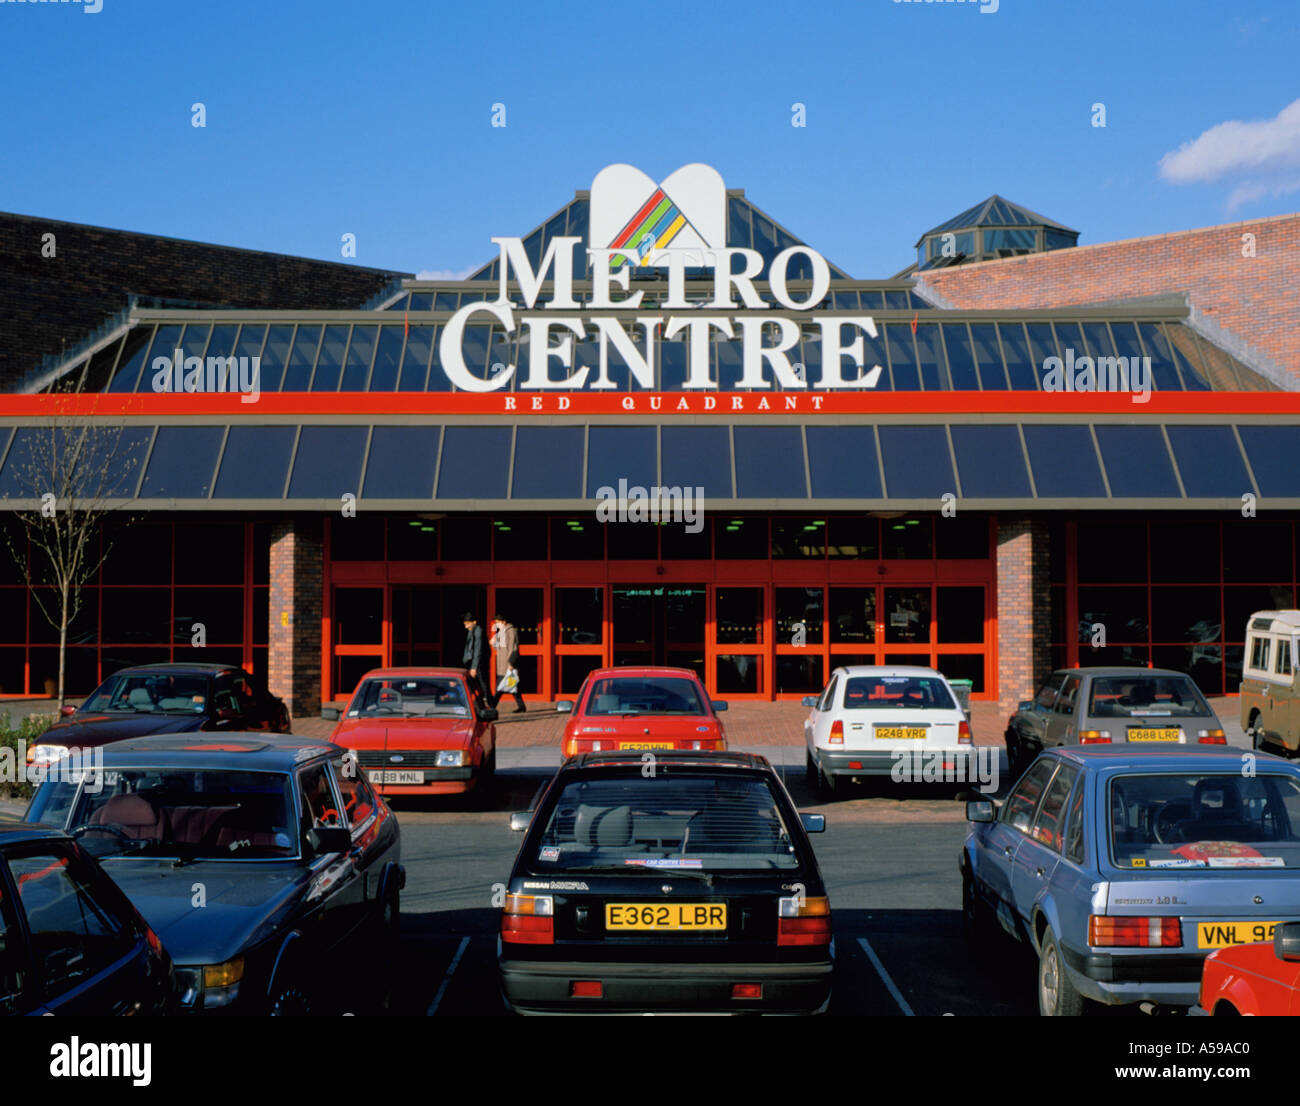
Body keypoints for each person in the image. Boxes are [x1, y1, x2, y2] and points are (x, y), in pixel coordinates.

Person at [490, 615, 526, 714]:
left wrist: (511, 663)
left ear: (504, 621)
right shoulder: (501, 632)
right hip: (501, 664)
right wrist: (493, 643)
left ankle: (491, 706)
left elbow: (513, 648)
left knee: (500, 688)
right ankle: (522, 706)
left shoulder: (511, 631)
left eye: (498, 622)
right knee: (513, 687)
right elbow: (499, 649)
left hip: (507, 664)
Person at [461, 612, 490, 705]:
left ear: (474, 622)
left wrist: (474, 667)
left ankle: (490, 705)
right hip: (474, 663)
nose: (466, 626)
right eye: (465, 624)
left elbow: (478, 649)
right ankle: (482, 705)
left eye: (468, 623)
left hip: (478, 665)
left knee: (483, 686)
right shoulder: (471, 631)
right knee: (478, 686)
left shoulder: (478, 631)